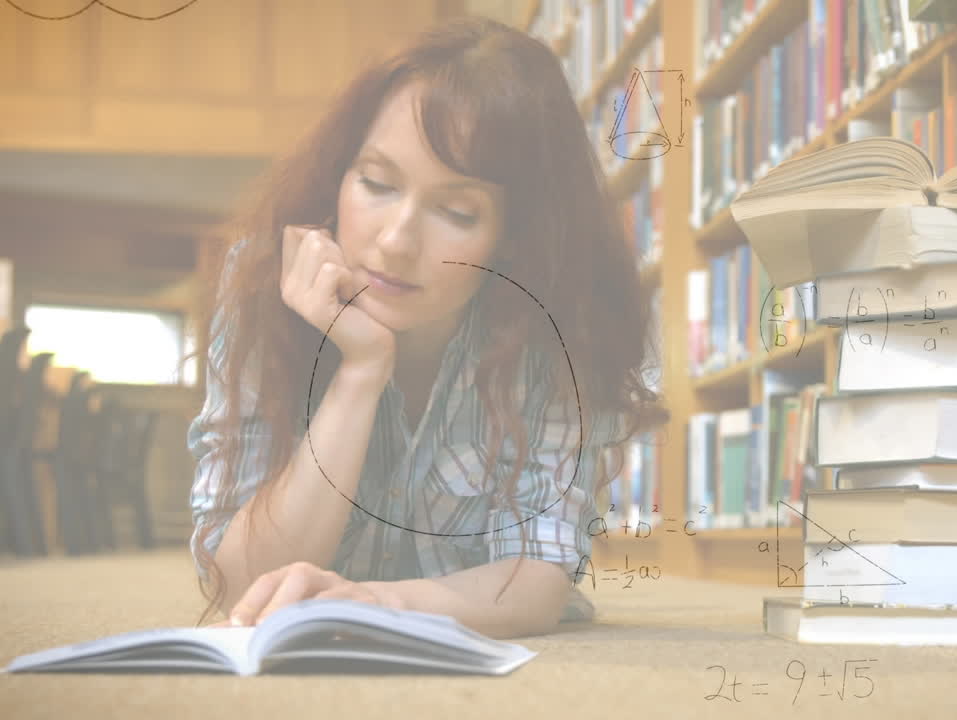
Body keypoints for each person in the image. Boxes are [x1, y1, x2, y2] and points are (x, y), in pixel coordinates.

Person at [184, 16, 667, 639]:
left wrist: (374, 603)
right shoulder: (262, 284)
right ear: (338, 173)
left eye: (456, 210)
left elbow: (536, 574)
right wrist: (360, 372)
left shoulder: (560, 326)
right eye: (376, 183)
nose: (395, 240)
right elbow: (243, 586)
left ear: (515, 236)